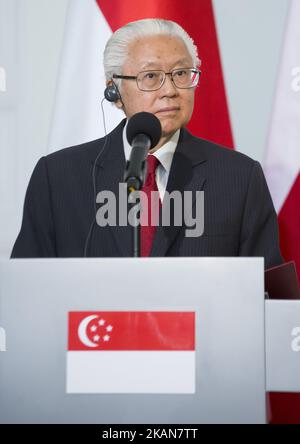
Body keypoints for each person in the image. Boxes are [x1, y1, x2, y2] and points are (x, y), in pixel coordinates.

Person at [11, 18, 282, 268]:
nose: (170, 90)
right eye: (151, 76)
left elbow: (269, 295)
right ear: (114, 91)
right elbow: (27, 292)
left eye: (181, 73)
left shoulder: (240, 178)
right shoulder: (58, 176)